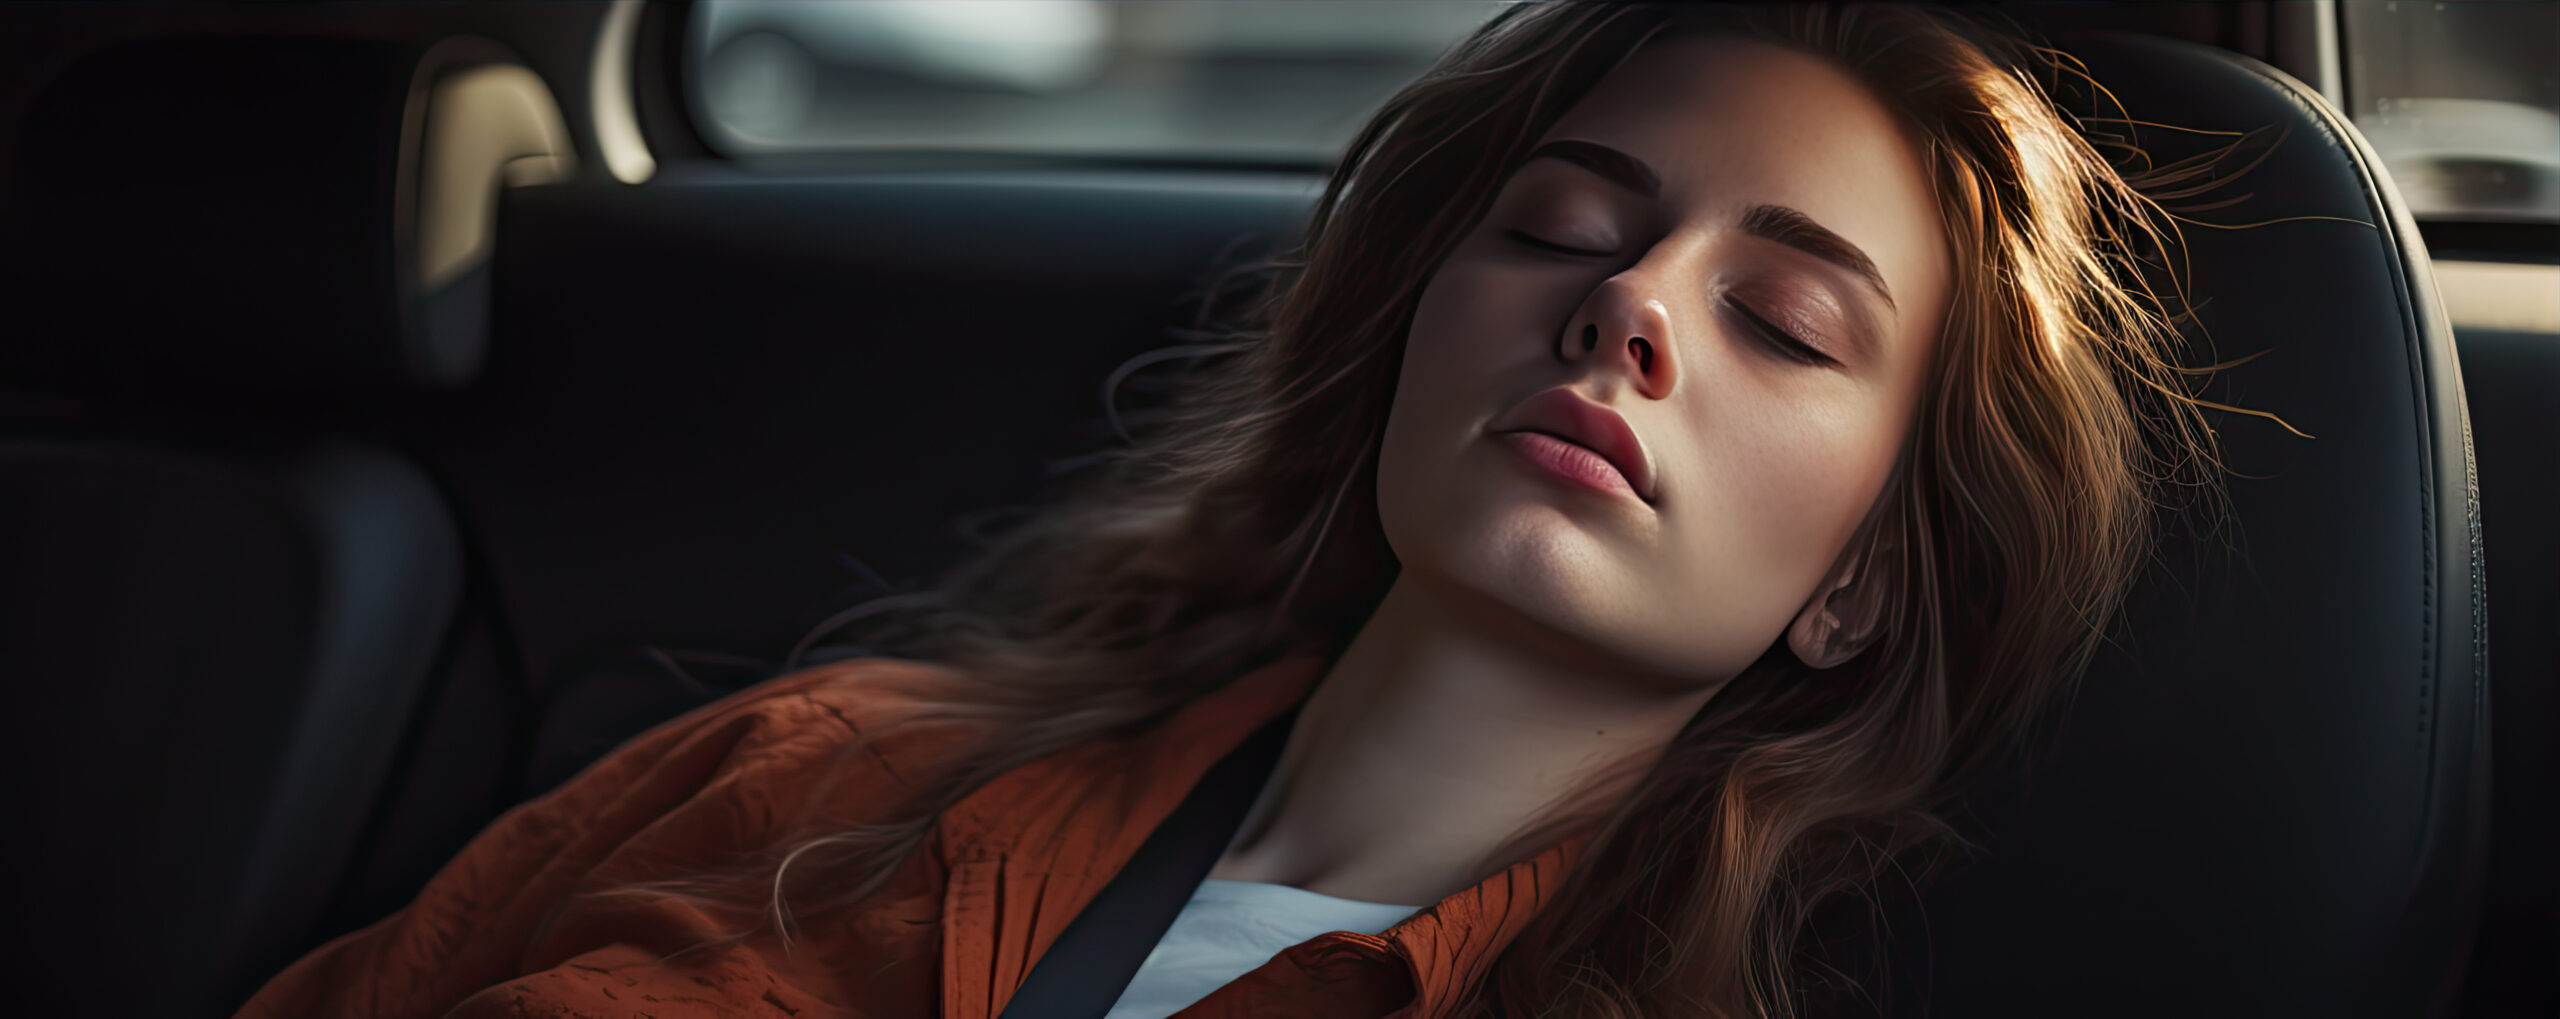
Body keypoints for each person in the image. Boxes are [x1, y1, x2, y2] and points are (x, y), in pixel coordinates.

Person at [239, 2, 2247, 1016]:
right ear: (1406, 344)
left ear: (1857, 587)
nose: (1625, 307)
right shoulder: (806, 774)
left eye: (1782, 323)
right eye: (1561, 226)